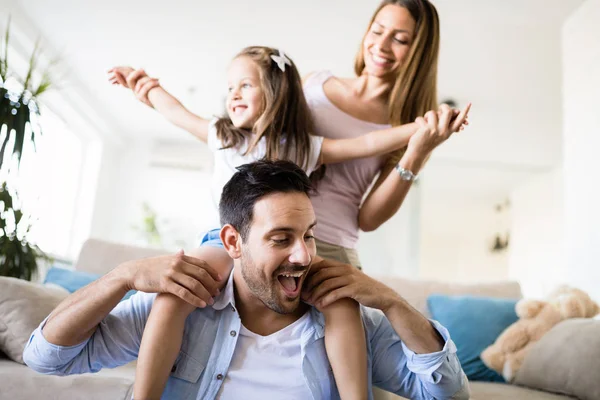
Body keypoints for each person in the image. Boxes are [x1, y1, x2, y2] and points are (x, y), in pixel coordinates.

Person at [106, 44, 457, 399]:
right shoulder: (224, 136)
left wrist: (420, 130)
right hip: (223, 240)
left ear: (274, 91)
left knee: (341, 303)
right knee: (177, 291)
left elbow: (366, 142)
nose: (234, 95)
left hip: (280, 246)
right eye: (230, 88)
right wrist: (146, 87)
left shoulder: (304, 147)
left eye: (245, 86)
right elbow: (176, 112)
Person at [23, 159, 470, 400]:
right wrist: (120, 277)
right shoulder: (186, 303)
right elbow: (46, 358)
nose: (303, 255)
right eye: (281, 238)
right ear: (233, 241)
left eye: (309, 236)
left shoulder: (343, 318)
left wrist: (392, 302)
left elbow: (448, 394)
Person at [303, 0, 470, 268]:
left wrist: (418, 151)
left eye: (400, 40)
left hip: (332, 247)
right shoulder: (312, 84)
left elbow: (369, 220)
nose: (381, 46)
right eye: (377, 31)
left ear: (419, 53)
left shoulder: (407, 127)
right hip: (272, 233)